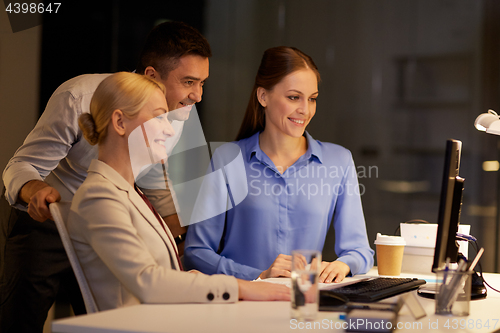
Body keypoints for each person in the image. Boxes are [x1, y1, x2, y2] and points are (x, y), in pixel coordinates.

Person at [0, 21, 208, 333]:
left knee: (106, 323)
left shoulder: (178, 115)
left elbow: (157, 184)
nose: (198, 95)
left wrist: (185, 238)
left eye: (203, 83)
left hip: (107, 224)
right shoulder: (79, 96)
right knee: (20, 323)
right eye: (189, 81)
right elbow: (21, 166)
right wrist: (37, 191)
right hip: (47, 223)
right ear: (152, 75)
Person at [69, 72, 289, 310]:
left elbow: (162, 274)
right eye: (159, 117)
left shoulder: (130, 193)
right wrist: (242, 287)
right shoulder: (98, 196)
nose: (170, 130)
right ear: (120, 123)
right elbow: (149, 282)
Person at [184, 46, 374, 282]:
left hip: (303, 306)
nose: (305, 110)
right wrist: (259, 276)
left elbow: (359, 251)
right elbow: (196, 253)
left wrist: (343, 265)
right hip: (241, 306)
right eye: (294, 97)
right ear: (263, 96)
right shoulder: (227, 159)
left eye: (312, 99)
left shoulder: (339, 161)